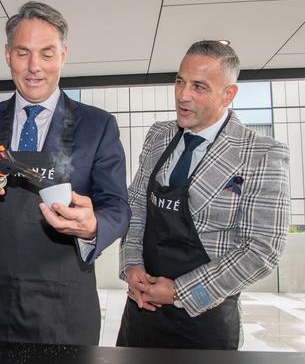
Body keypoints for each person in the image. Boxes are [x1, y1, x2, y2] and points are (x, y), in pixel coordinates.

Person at [0, 1, 130, 346]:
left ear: (64, 55)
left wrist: (93, 225)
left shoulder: (97, 127)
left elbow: (117, 207)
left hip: (63, 306)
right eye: (23, 53)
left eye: (47, 53)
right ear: (7, 54)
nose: (34, 67)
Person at [116, 40, 290, 350]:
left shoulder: (262, 154)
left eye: (199, 86)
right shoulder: (159, 135)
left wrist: (178, 292)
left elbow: (262, 249)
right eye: (180, 81)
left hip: (206, 318)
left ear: (229, 94)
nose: (183, 95)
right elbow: (137, 206)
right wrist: (132, 267)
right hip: (142, 311)